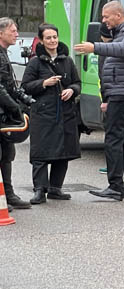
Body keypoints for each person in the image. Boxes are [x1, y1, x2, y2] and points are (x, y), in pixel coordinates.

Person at [73, 2, 124, 201]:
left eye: (106, 16)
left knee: (113, 139)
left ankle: (115, 186)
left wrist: (95, 47)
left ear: (118, 15)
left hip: (123, 93)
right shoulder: (121, 33)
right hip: (122, 93)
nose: (104, 20)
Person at [21, 24, 81, 203]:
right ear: (41, 40)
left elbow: (77, 83)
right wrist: (44, 83)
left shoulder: (67, 61)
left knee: (63, 152)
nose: (52, 40)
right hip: (43, 114)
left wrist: (72, 90)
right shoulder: (35, 62)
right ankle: (39, 190)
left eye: (54, 37)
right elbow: (25, 86)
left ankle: (56, 189)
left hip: (65, 113)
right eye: (48, 38)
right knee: (40, 153)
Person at [0, 17, 36, 209]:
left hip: (4, 113)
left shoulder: (4, 53)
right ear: (1, 33)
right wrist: (14, 107)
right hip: (2, 112)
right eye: (13, 31)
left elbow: (10, 85)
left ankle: (8, 194)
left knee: (7, 154)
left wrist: (26, 100)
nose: (17, 34)